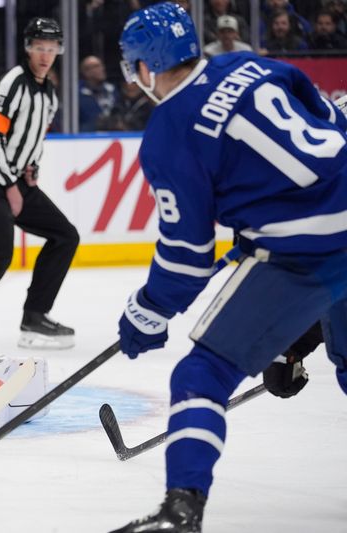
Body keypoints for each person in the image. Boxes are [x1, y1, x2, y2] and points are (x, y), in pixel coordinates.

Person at [113, 4, 347, 532]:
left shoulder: (168, 131)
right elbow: (331, 121)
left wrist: (148, 312)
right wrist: (290, 343)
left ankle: (182, 511)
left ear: (145, 66)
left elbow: (187, 257)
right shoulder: (250, 64)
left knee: (202, 374)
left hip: (307, 250)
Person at [0, 17, 79, 350]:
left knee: (65, 235)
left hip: (14, 178)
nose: (45, 55)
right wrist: (10, 186)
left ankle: (35, 317)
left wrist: (31, 170)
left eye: (51, 48)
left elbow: (32, 139)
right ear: (28, 48)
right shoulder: (11, 83)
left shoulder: (49, 93)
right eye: (39, 48)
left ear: (59, 50)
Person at [78, 55, 118, 132]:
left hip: (113, 134)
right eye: (96, 66)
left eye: (101, 65)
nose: (102, 69)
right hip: (87, 137)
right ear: (86, 72)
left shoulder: (112, 89)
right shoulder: (77, 94)